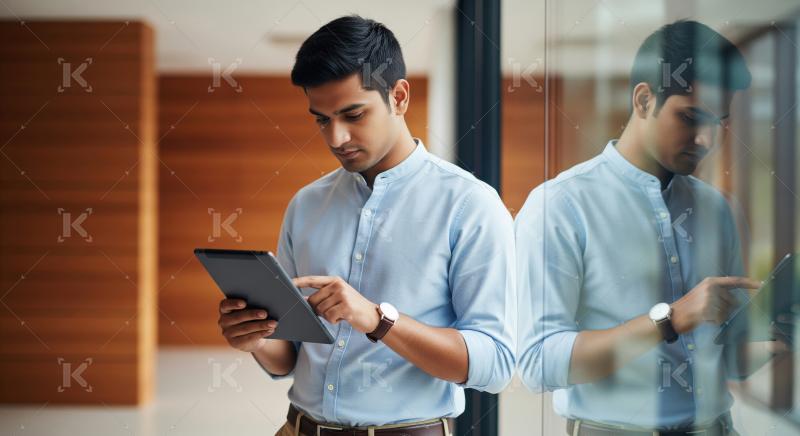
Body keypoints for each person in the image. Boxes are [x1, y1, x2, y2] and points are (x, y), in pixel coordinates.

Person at [217, 15, 516, 436]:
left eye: (353, 114)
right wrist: (257, 339)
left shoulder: (470, 205)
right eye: (321, 119)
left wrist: (378, 320)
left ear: (399, 96)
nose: (336, 137)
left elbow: (496, 365)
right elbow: (289, 357)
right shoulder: (306, 205)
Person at [516, 20, 783, 435]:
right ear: (643, 100)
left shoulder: (719, 211)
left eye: (719, 121)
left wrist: (778, 342)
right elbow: (539, 364)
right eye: (691, 117)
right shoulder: (560, 206)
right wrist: (669, 319)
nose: (707, 140)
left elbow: (724, 357)